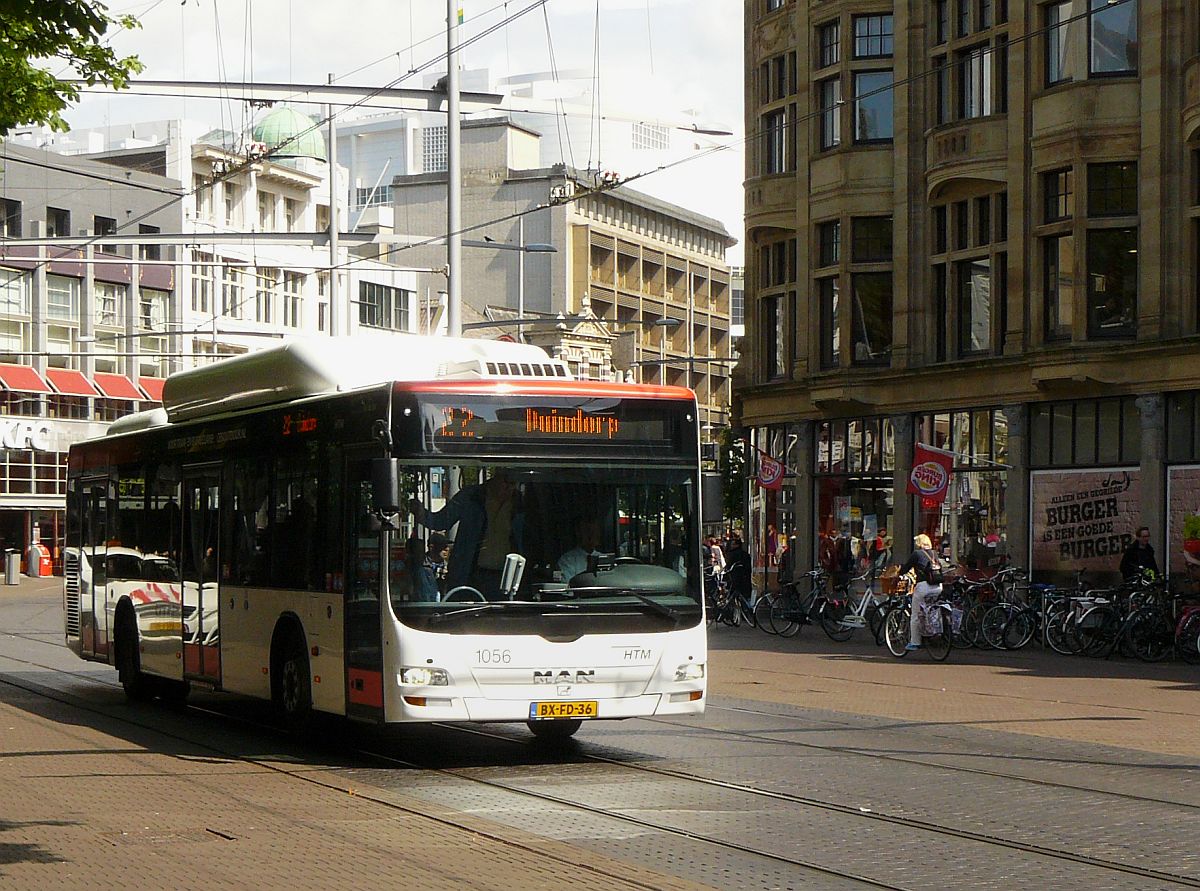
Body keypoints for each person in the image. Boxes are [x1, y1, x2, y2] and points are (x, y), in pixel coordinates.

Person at [409, 468, 523, 597]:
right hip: (470, 575)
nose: (510, 488)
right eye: (507, 482)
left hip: (507, 577)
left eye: (514, 484)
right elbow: (441, 521)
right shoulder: (470, 496)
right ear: (496, 477)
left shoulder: (520, 502)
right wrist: (420, 513)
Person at [898, 533, 944, 652]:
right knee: (932, 610)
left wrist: (899, 573)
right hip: (938, 586)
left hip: (923, 587)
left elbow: (906, 567)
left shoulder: (917, 554)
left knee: (916, 615)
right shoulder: (934, 553)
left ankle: (915, 642)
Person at [557, 515, 604, 582]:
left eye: (595, 531)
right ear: (579, 533)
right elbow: (568, 586)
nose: (592, 536)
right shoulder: (567, 560)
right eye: (588, 531)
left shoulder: (603, 558)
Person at [404, 535, 439, 602]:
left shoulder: (425, 571)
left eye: (421, 552)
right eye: (415, 553)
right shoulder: (397, 570)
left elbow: (430, 596)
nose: (420, 556)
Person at [725, 535, 752, 602]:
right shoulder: (745, 554)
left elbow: (729, 565)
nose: (731, 546)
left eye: (733, 544)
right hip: (745, 578)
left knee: (733, 594)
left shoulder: (732, 554)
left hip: (735, 577)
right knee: (744, 595)